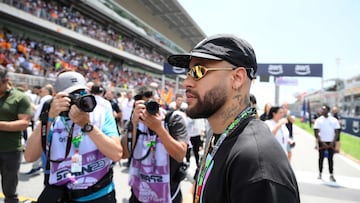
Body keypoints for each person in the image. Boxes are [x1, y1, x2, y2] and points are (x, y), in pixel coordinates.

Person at [167, 33, 300, 203]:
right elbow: (198, 187)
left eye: (198, 71)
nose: (186, 82)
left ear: (237, 78)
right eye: (188, 73)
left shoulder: (257, 163)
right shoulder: (217, 134)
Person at [24, 71, 122, 202]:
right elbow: (30, 156)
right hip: (64, 195)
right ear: (56, 96)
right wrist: (49, 118)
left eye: (82, 93)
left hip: (99, 194)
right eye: (71, 95)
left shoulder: (101, 114)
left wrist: (87, 126)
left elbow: (116, 154)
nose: (77, 99)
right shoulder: (52, 119)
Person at [120, 86, 188, 203]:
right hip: (139, 193)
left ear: (159, 102)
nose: (149, 108)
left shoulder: (173, 119)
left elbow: (180, 155)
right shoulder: (134, 122)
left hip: (169, 193)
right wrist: (134, 124)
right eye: (145, 104)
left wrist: (159, 129)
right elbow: (124, 154)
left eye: (153, 103)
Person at [0, 67, 33, 203]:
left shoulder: (20, 98)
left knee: (10, 191)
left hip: (10, 151)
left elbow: (24, 123)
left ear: (5, 81)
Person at [314, 104, 340, 182]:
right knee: (321, 158)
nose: (322, 111)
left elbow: (337, 132)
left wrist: (333, 142)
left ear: (328, 111)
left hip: (331, 142)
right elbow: (316, 132)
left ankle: (331, 175)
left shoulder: (334, 120)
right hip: (322, 142)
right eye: (322, 109)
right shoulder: (318, 120)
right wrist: (321, 142)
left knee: (330, 159)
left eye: (324, 109)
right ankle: (320, 173)